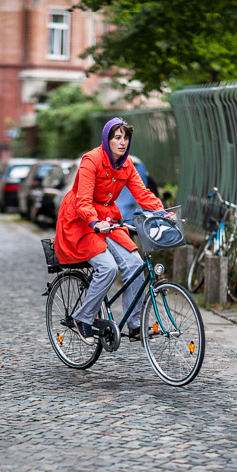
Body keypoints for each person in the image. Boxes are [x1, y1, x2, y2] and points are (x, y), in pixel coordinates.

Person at [54, 117, 166, 345]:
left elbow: (142, 193)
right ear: (107, 139)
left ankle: (134, 325)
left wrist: (163, 213)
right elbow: (83, 201)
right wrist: (94, 222)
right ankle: (83, 318)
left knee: (135, 264)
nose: (122, 142)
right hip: (79, 222)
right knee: (108, 268)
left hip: (107, 220)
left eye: (125, 138)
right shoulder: (91, 160)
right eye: (117, 137)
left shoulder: (126, 165)